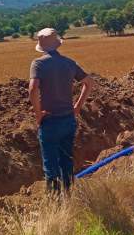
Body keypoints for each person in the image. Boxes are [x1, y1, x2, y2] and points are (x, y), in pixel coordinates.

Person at [29, 28, 93, 195]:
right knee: (66, 161)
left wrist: (38, 114)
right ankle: (69, 195)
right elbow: (89, 82)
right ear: (57, 45)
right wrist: (77, 106)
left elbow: (33, 89)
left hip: (49, 121)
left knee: (51, 166)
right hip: (68, 120)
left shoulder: (38, 64)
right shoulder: (69, 63)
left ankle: (55, 202)